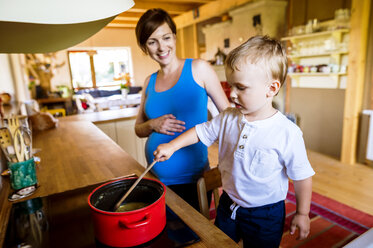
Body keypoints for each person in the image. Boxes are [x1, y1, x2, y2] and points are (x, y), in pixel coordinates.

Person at [153, 35, 315, 247]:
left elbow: (302, 177)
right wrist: (172, 146)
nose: (233, 94)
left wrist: (302, 213)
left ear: (272, 89)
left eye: (241, 87)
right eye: (231, 86)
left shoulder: (287, 132)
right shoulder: (228, 117)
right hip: (229, 205)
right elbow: (200, 132)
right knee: (219, 243)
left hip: (265, 215)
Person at [134, 8, 230, 211]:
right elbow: (138, 130)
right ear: (145, 47)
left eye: (166, 37)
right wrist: (152, 124)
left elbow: (229, 117)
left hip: (192, 181)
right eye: (152, 41)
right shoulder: (148, 82)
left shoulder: (199, 68)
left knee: (191, 239)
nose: (161, 47)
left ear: (174, 37)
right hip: (156, 180)